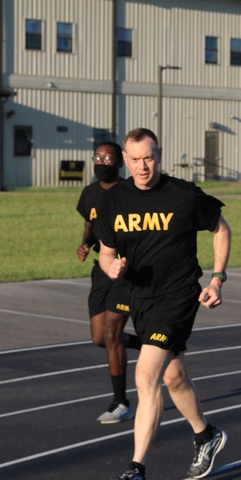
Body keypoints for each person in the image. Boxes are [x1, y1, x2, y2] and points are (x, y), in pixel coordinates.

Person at [94, 127, 231, 480]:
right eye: (135, 159)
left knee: (146, 375)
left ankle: (136, 470)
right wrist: (111, 269)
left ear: (160, 154)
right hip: (140, 298)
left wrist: (217, 279)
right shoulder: (113, 201)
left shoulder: (182, 194)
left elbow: (220, 229)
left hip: (178, 295)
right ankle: (206, 435)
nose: (142, 166)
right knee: (174, 375)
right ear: (125, 159)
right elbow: (106, 251)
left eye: (149, 158)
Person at [76, 142, 140, 424]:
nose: (102, 162)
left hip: (124, 271)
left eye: (108, 158)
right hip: (100, 270)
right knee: (99, 338)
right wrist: (84, 244)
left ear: (120, 162)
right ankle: (146, 343)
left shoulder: (128, 193)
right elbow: (90, 227)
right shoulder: (89, 193)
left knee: (112, 334)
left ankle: (121, 403)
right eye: (97, 158)